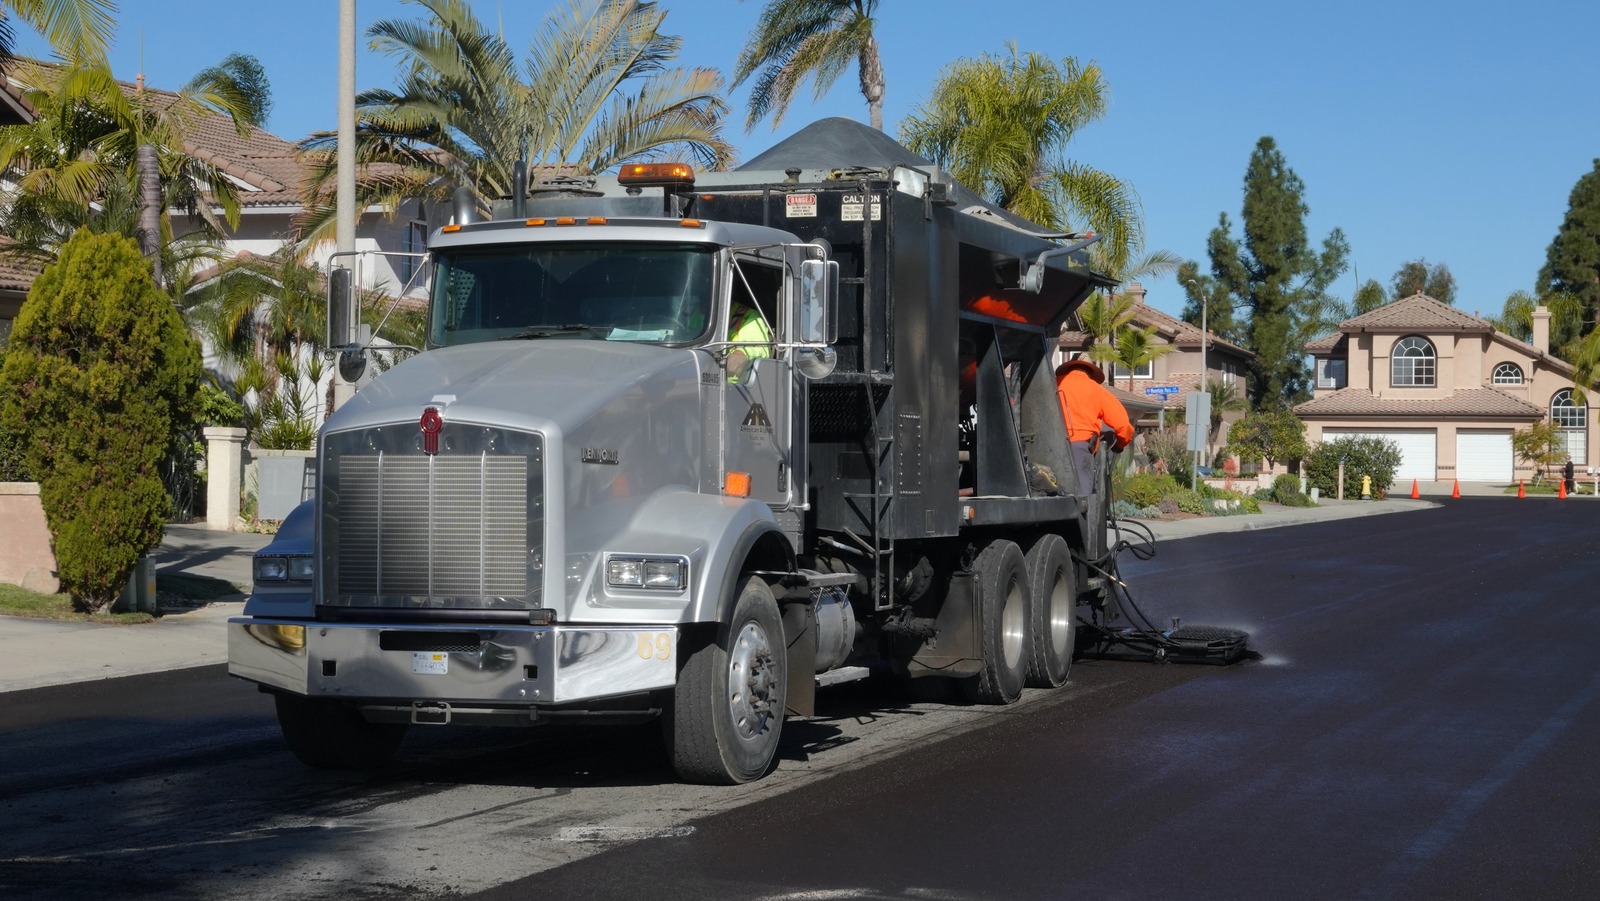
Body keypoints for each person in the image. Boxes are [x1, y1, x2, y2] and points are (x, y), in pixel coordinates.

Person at [1055, 358, 1134, 497]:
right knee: (1081, 499)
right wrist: (1120, 445)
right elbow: (1122, 425)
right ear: (1090, 373)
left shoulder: (1055, 384)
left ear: (1068, 370)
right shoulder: (1096, 389)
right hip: (1079, 446)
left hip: (1048, 445)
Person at [726, 299, 772, 384]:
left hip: (734, 387)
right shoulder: (695, 312)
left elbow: (761, 348)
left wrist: (741, 353)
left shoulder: (749, 316)